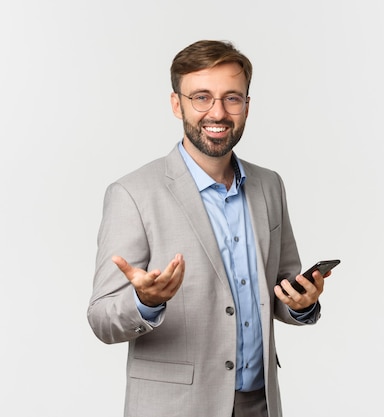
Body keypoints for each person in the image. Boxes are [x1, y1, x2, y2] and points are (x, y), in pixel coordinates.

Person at [87, 39, 331, 417]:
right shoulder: (132, 194)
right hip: (177, 407)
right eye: (201, 97)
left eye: (232, 98)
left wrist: (302, 303)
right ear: (176, 104)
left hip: (260, 403)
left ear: (247, 105)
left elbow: (281, 289)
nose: (217, 112)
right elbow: (102, 320)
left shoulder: (269, 186)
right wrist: (146, 302)